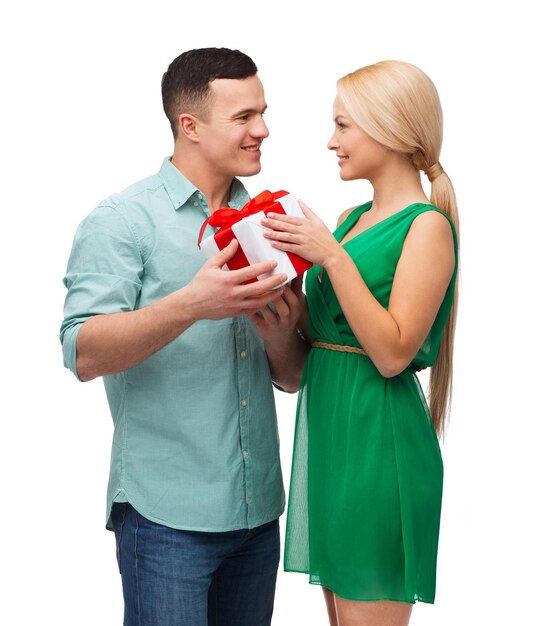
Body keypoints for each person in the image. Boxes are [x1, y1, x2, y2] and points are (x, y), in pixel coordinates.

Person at [60, 47, 308, 626]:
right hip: (165, 518)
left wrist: (279, 337)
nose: (263, 130)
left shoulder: (272, 221)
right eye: (244, 116)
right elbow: (81, 350)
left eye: (263, 112)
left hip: (258, 512)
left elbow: (292, 376)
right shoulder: (122, 220)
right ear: (189, 126)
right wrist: (193, 305)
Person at [254, 60, 459, 625]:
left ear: (389, 129)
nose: (331, 142)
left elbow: (393, 354)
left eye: (343, 126)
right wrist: (280, 322)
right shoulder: (347, 221)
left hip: (379, 446)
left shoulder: (426, 227)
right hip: (331, 445)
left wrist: (331, 257)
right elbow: (309, 362)